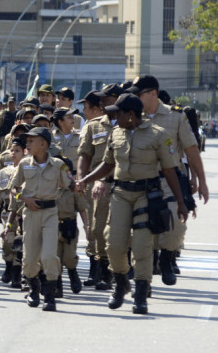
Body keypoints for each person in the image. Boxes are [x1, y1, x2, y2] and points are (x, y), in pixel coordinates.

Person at [77, 94, 188, 314]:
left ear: (131, 114)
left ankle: (141, 292)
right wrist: (85, 180)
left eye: (118, 113)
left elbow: (169, 170)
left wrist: (180, 201)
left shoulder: (158, 135)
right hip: (120, 193)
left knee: (141, 246)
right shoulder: (116, 133)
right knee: (114, 244)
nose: (114, 117)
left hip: (147, 195)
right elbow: (108, 164)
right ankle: (120, 283)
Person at [129, 75, 208, 285]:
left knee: (175, 224)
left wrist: (201, 181)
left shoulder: (176, 117)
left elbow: (191, 150)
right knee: (143, 230)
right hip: (141, 179)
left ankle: (167, 258)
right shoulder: (133, 116)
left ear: (153, 93)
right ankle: (143, 276)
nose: (135, 98)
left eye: (139, 94)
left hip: (169, 179)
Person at [8, 127, 73, 311]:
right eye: (26, 141)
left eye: (31, 141)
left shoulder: (59, 165)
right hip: (31, 214)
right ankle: (34, 290)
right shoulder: (24, 164)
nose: (26, 144)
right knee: (29, 259)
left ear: (43, 144)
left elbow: (70, 184)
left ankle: (50, 296)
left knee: (49, 256)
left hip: (51, 213)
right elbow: (14, 188)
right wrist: (24, 199)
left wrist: (82, 184)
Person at [76, 88, 119, 290]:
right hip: (97, 186)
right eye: (100, 101)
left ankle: (117, 271)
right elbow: (84, 155)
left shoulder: (130, 123)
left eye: (106, 99)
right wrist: (81, 179)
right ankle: (100, 270)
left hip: (123, 185)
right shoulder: (93, 126)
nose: (102, 104)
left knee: (119, 231)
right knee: (97, 229)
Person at [53, 155, 89, 298]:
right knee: (55, 258)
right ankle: (57, 285)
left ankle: (73, 275)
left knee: (69, 257)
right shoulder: (49, 189)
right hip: (53, 226)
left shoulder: (74, 190)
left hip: (69, 226)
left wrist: (86, 226)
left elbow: (82, 208)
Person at [0, 138, 25, 288]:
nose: (13, 153)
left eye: (17, 150)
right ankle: (8, 266)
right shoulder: (4, 172)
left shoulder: (27, 170)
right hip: (7, 212)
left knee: (19, 242)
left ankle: (17, 273)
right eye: (12, 150)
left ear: (24, 152)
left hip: (23, 212)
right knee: (7, 242)